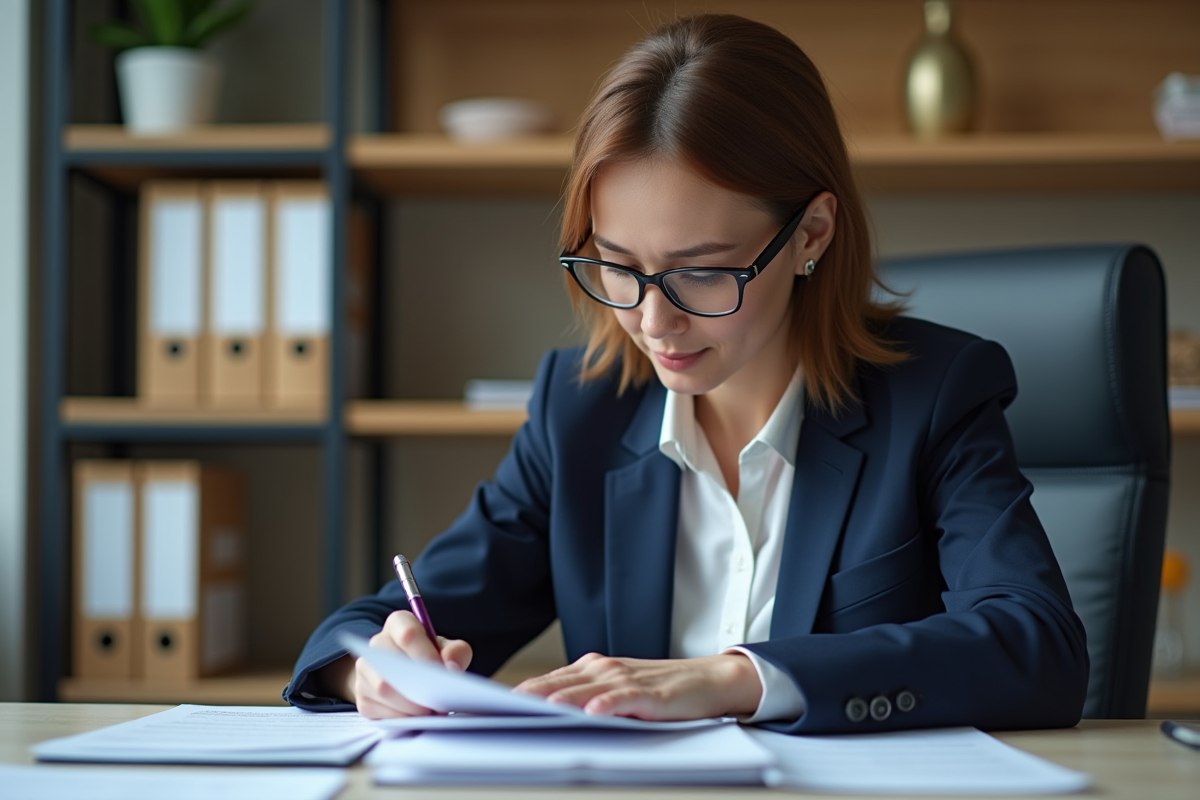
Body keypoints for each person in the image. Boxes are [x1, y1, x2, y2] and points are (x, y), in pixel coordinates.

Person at [285, 13, 1088, 733]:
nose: (651, 322)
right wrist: (376, 668)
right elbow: (377, 624)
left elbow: (1038, 646)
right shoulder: (579, 412)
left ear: (811, 233)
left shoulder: (937, 393)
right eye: (619, 266)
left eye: (702, 272)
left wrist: (734, 679)